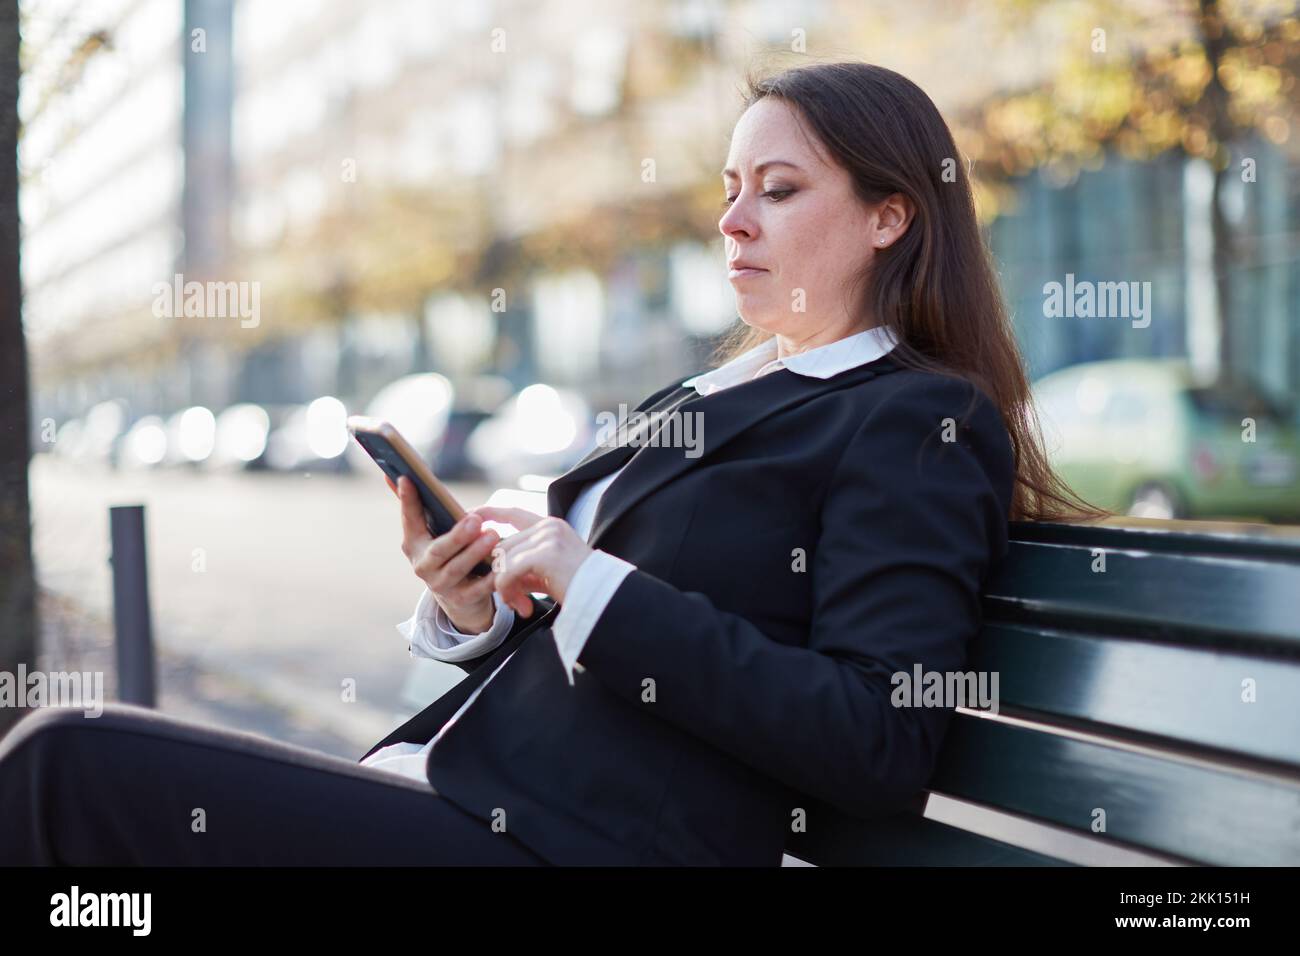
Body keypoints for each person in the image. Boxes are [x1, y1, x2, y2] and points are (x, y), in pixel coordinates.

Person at [0, 61, 1102, 866]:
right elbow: (594, 636)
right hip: (472, 793)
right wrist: (475, 605)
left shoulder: (915, 420)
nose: (731, 220)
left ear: (889, 217)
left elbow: (880, 737)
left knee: (65, 765)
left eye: (778, 188)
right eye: (727, 187)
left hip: (575, 841)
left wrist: (593, 581)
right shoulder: (720, 389)